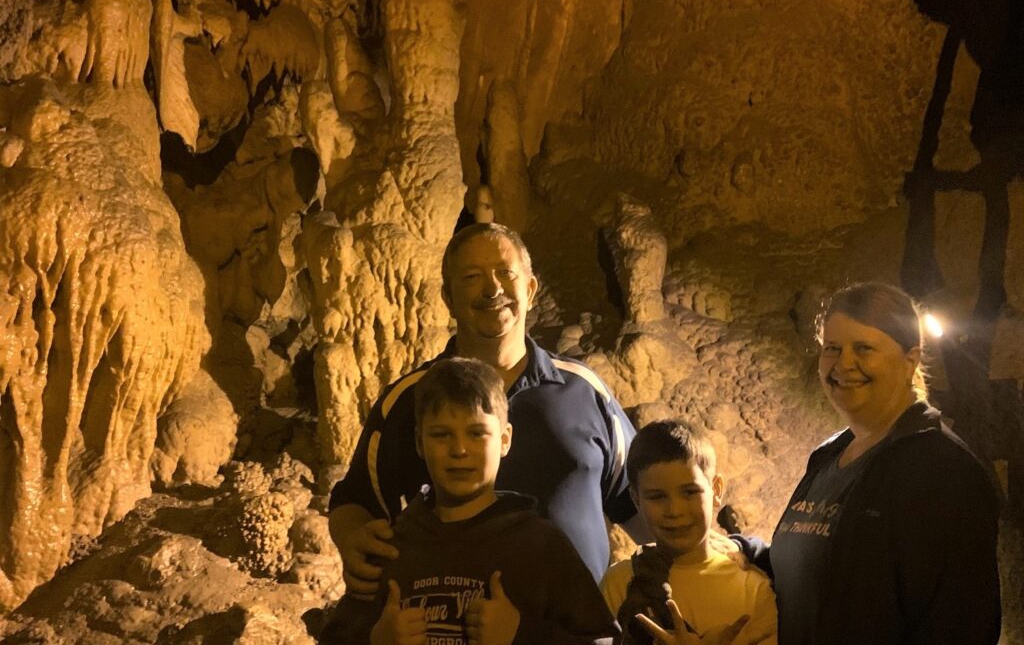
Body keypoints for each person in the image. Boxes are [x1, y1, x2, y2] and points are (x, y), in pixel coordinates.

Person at [328, 222, 641, 603]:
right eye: (472, 277)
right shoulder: (410, 400)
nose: (492, 290)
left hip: (575, 631)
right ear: (447, 297)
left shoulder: (582, 392)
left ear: (529, 289)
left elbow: (641, 496)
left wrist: (716, 557)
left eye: (505, 274)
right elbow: (356, 501)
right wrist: (353, 540)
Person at [759, 282, 1002, 644]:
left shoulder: (944, 473)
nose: (843, 364)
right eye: (833, 348)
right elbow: (807, 575)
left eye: (864, 348)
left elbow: (961, 625)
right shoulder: (826, 459)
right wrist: (740, 551)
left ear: (911, 360)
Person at [367, 357, 618, 645]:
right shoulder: (394, 548)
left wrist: (520, 635)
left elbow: (601, 639)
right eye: (441, 434)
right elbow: (337, 633)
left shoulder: (541, 546)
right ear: (419, 443)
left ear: (505, 440)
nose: (459, 449)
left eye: (477, 434)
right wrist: (377, 640)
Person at [601, 420, 777, 645]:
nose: (674, 510)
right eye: (657, 497)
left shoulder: (753, 590)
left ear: (716, 490)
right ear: (636, 499)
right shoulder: (619, 585)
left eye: (690, 492)